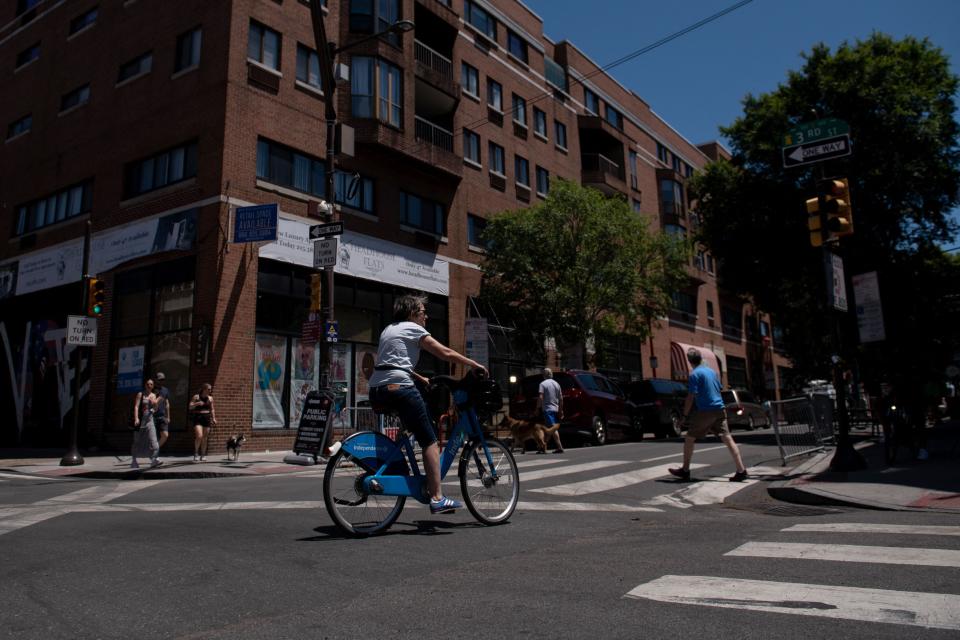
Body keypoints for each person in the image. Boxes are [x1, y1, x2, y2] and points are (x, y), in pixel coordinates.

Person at [368, 295, 486, 514]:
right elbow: (444, 352)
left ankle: (414, 476)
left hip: (377, 389)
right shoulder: (413, 328)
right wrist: (473, 363)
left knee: (415, 428)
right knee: (430, 439)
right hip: (400, 388)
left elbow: (393, 361)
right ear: (412, 313)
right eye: (423, 312)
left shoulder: (389, 329)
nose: (426, 316)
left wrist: (421, 378)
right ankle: (437, 497)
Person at [669, 348, 748, 482]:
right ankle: (741, 470)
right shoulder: (712, 372)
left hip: (706, 410)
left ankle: (685, 470)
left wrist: (685, 415)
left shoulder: (694, 375)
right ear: (700, 359)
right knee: (727, 438)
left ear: (689, 361)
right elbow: (719, 389)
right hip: (719, 408)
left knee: (689, 438)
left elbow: (690, 397)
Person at [131, 379, 163, 469]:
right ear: (145, 385)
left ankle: (154, 459)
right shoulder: (140, 394)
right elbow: (136, 406)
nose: (149, 385)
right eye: (148, 384)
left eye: (151, 384)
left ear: (153, 386)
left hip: (150, 420)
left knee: (154, 442)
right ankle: (134, 460)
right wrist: (136, 418)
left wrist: (154, 405)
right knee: (136, 442)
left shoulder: (154, 395)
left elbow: (156, 408)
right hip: (141, 420)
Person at [537, 368, 565, 453]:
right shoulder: (557, 384)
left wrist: (537, 408)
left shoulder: (542, 384)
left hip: (547, 409)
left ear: (544, 375)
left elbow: (541, 397)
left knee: (552, 429)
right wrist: (561, 410)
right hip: (555, 409)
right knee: (549, 428)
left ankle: (559, 447)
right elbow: (561, 399)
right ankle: (542, 447)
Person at [189, 383, 217, 462]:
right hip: (198, 417)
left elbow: (212, 409)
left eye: (210, 389)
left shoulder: (210, 398)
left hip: (207, 418)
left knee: (205, 438)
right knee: (199, 436)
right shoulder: (196, 397)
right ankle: (196, 453)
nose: (210, 391)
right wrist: (197, 403)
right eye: (208, 389)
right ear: (204, 389)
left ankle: (203, 454)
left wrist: (214, 418)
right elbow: (190, 406)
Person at [153, 372, 171, 457]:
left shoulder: (165, 390)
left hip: (162, 415)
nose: (161, 381)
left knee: (165, 435)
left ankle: (154, 450)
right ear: (156, 379)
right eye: (159, 379)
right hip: (152, 416)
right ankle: (155, 456)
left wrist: (168, 416)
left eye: (162, 379)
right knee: (153, 437)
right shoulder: (152, 388)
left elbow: (167, 403)